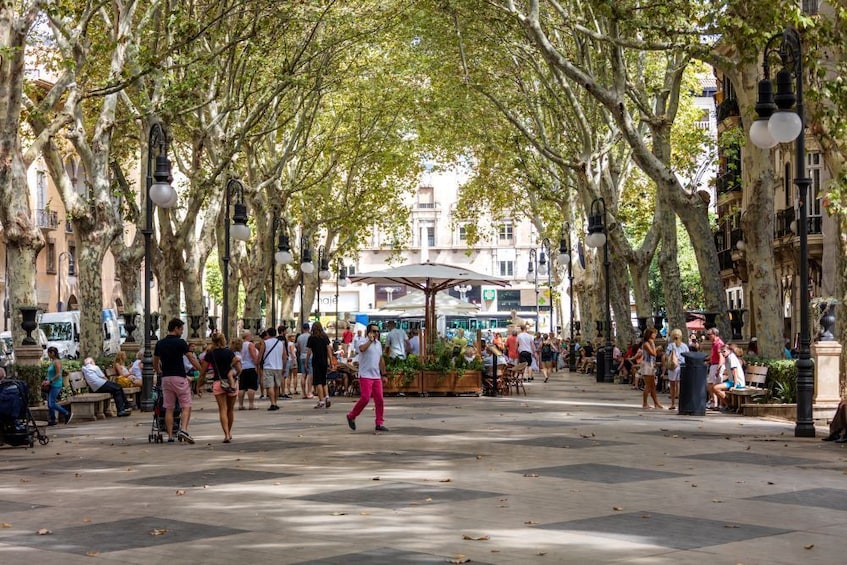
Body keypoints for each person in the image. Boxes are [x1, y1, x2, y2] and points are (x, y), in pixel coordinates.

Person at [153, 318, 200, 443]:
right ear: (176, 328)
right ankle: (183, 429)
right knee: (186, 405)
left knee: (169, 408)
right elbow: (191, 358)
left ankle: (169, 436)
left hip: (166, 378)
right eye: (181, 329)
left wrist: (159, 371)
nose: (182, 331)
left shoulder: (160, 343)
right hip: (179, 377)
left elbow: (155, 361)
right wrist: (201, 370)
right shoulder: (181, 343)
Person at [346, 323, 388, 432]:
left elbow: (380, 359)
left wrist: (384, 374)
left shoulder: (378, 344)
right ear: (368, 332)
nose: (376, 333)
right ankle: (351, 415)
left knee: (380, 400)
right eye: (374, 331)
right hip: (365, 375)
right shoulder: (362, 341)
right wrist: (370, 340)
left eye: (378, 331)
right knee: (365, 398)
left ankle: (379, 423)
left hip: (376, 376)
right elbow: (362, 349)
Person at [201, 332, 240, 443]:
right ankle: (229, 432)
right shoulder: (229, 353)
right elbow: (239, 369)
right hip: (231, 383)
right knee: (230, 410)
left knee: (222, 409)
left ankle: (226, 434)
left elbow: (203, 372)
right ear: (223, 340)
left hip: (218, 383)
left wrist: (199, 385)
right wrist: (234, 376)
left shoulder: (210, 354)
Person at [306, 321, 334, 409]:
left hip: (316, 361)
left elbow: (309, 351)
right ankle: (327, 397)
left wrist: (306, 361)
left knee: (318, 382)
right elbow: (328, 349)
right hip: (324, 361)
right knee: (324, 380)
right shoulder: (325, 337)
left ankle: (321, 400)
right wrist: (331, 360)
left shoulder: (312, 338)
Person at [713, 343, 745, 411]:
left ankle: (730, 405)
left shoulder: (731, 357)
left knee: (715, 388)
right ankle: (729, 404)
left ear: (729, 351)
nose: (723, 353)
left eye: (724, 351)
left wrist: (735, 385)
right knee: (717, 387)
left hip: (737, 382)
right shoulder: (727, 358)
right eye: (722, 352)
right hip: (731, 381)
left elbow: (735, 371)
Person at [45, 346, 71, 426]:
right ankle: (52, 419)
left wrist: (50, 381)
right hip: (51, 384)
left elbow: (59, 374)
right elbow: (50, 373)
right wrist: (46, 380)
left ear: (52, 353)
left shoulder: (57, 362)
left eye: (49, 353)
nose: (48, 355)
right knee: (50, 403)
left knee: (52, 403)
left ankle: (66, 413)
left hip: (56, 385)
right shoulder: (52, 362)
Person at [262, 326, 286, 411]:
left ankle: (272, 403)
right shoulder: (280, 343)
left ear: (268, 334)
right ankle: (275, 402)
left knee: (270, 386)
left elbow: (261, 354)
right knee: (276, 386)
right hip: (278, 367)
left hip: (268, 366)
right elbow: (284, 356)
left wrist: (257, 363)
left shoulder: (265, 343)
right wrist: (284, 367)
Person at [665, 328, 689, 411]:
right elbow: (687, 356)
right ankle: (680, 403)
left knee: (672, 385)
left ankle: (672, 403)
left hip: (673, 367)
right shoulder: (684, 346)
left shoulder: (670, 346)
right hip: (682, 366)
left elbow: (666, 356)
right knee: (679, 384)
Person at [640, 328, 663, 409]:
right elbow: (653, 353)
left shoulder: (649, 343)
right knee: (648, 386)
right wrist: (654, 346)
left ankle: (656, 403)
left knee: (653, 385)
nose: (655, 335)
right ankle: (645, 403)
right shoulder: (646, 344)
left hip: (651, 364)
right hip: (647, 365)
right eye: (654, 333)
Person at [238, 330, 260, 410]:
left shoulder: (241, 345)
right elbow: (253, 356)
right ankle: (251, 404)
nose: (251, 336)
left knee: (242, 387)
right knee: (251, 386)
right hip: (250, 366)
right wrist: (256, 364)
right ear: (247, 336)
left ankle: (240, 404)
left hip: (242, 367)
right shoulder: (250, 344)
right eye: (250, 335)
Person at [706, 328, 725, 410]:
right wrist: (707, 360)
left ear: (714, 334)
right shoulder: (714, 343)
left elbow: (721, 357)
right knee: (711, 385)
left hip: (717, 365)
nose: (708, 336)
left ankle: (718, 403)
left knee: (713, 385)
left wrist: (718, 369)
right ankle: (715, 402)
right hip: (714, 365)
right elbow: (714, 356)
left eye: (709, 334)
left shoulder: (718, 344)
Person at [296, 323, 313, 398]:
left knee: (303, 375)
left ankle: (303, 393)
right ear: (309, 329)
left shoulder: (299, 337)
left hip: (302, 356)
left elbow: (298, 348)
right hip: (310, 356)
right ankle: (309, 392)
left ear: (302, 329)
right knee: (310, 374)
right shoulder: (311, 336)